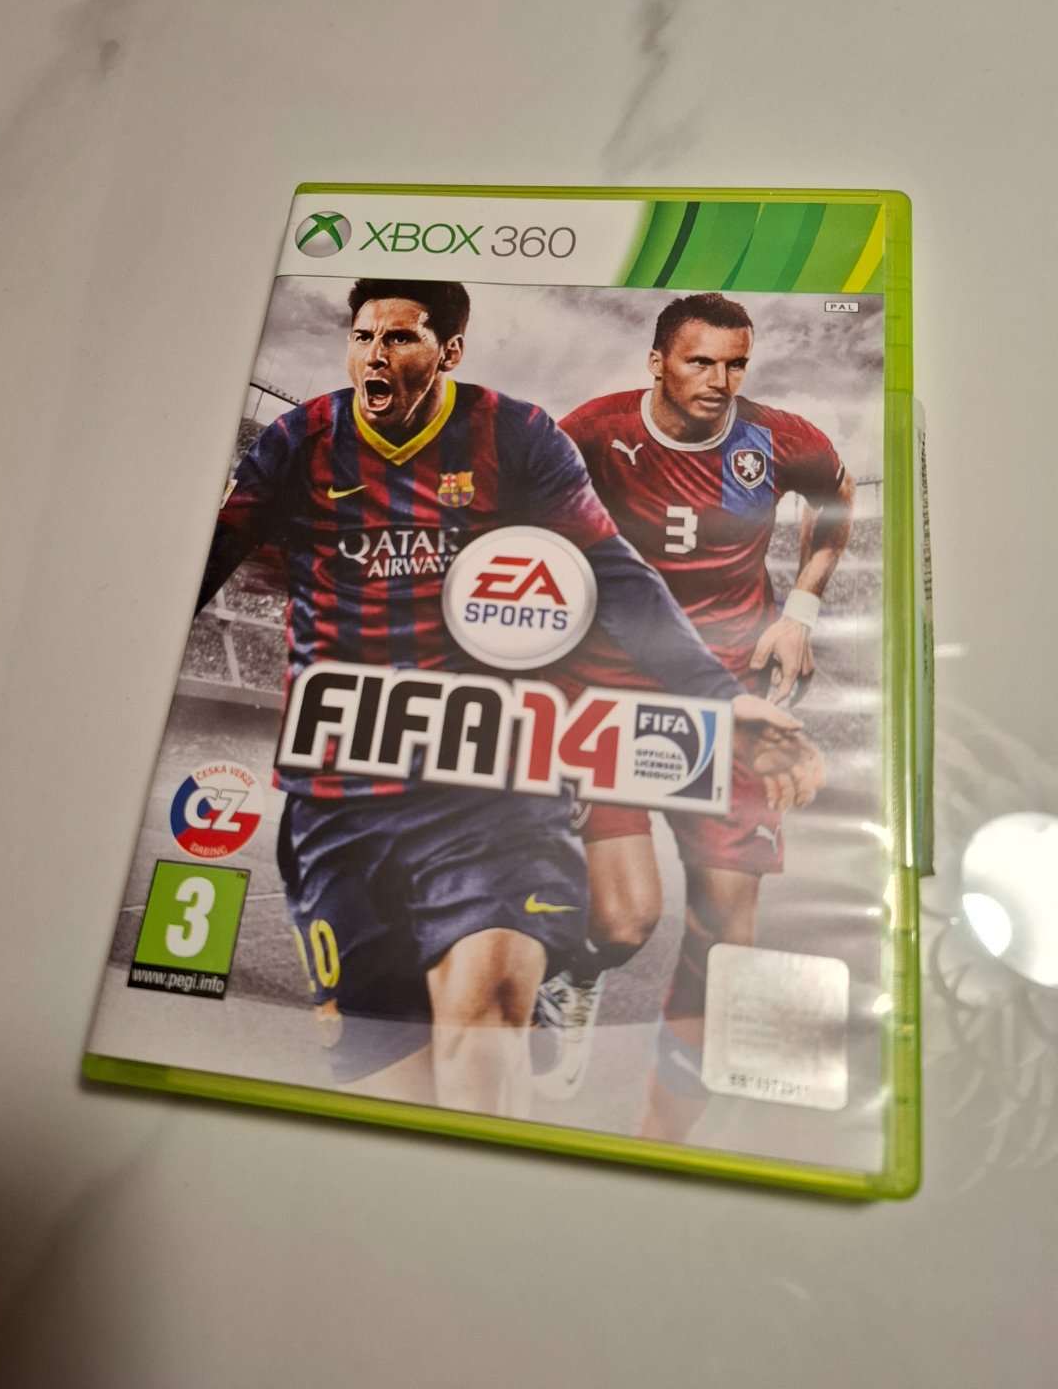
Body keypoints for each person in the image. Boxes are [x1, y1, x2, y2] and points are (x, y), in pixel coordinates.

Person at [197, 279, 817, 1121]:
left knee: (488, 1010)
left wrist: (718, 696)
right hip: (342, 793)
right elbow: (205, 559)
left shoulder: (513, 434)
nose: (376, 355)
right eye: (364, 337)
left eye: (401, 338)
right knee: (398, 1104)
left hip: (489, 780)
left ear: (449, 351)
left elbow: (610, 572)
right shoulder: (296, 441)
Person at [557, 291, 853, 1136]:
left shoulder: (778, 439)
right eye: (700, 362)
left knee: (728, 938)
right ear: (657, 362)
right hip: (610, 692)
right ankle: (577, 969)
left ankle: (659, 1148)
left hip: (733, 700)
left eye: (736, 364)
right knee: (624, 922)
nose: (721, 380)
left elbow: (834, 497)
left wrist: (800, 612)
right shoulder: (593, 430)